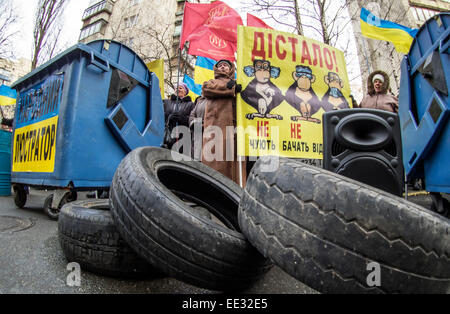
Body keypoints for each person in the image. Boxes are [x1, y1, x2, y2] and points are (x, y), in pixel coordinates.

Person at [201, 59, 246, 187]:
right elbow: (206, 89)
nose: (222, 67)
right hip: (216, 126)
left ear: (231, 69)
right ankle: (213, 189)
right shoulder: (211, 83)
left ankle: (235, 189)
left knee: (233, 159)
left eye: (225, 65)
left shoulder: (238, 84)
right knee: (215, 159)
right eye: (220, 65)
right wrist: (229, 88)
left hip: (234, 127)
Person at [163, 83, 195, 149]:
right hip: (169, 134)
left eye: (180, 88)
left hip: (183, 136)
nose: (178, 89)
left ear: (185, 91)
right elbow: (160, 115)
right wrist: (169, 117)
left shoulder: (191, 104)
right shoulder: (167, 102)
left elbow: (193, 118)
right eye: (176, 88)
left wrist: (183, 119)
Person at [189, 95, 207, 161]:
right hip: (198, 133)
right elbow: (192, 115)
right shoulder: (200, 101)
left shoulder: (216, 100)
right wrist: (196, 123)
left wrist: (206, 124)